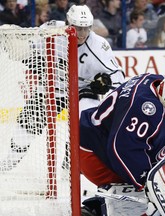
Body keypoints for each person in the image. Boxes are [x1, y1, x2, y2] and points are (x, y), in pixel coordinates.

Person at [0, 5, 125, 171]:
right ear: (67, 23)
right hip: (53, 87)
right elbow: (30, 50)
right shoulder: (51, 30)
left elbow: (118, 75)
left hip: (83, 90)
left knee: (85, 124)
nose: (82, 34)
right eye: (78, 28)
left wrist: (105, 82)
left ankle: (71, 165)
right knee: (27, 126)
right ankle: (11, 160)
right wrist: (23, 52)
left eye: (86, 28)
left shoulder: (98, 45)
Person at [80, 69, 165, 215]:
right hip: (92, 154)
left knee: (149, 182)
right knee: (143, 195)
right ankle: (96, 211)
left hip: (94, 136)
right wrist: (146, 183)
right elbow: (121, 149)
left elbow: (135, 129)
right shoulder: (146, 108)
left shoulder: (153, 81)